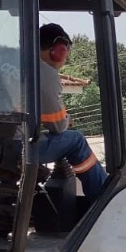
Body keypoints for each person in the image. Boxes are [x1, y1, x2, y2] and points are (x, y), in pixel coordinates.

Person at [37, 23, 107, 196]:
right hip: (19, 146)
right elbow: (58, 125)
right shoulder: (44, 72)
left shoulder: (12, 63)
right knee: (76, 140)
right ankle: (103, 197)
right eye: (66, 52)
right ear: (58, 50)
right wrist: (67, 119)